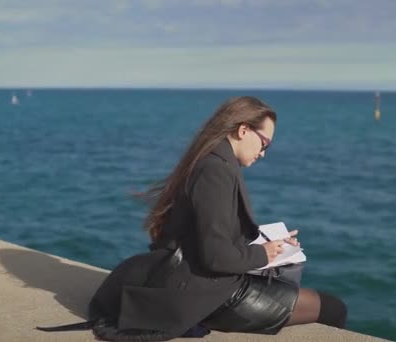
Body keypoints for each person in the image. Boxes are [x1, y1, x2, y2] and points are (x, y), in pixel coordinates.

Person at [40, 96, 347, 340]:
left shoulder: (213, 160)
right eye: (265, 143)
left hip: (200, 280)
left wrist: (271, 243)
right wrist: (263, 253)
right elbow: (216, 256)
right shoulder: (216, 171)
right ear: (243, 130)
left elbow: (210, 232)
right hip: (206, 292)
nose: (264, 153)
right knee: (333, 308)